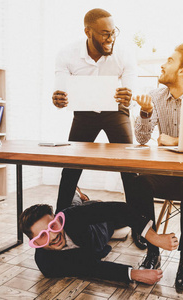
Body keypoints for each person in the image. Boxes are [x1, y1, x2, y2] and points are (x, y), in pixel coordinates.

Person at [51, 8, 145, 249]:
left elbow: (131, 95)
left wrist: (129, 97)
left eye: (113, 33)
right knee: (71, 167)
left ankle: (139, 227)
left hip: (117, 113)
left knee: (130, 169)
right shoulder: (67, 54)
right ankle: (59, 222)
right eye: (104, 34)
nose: (110, 38)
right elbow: (60, 94)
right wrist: (58, 99)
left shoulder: (123, 54)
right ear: (87, 32)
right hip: (84, 115)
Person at [131, 43, 183, 290]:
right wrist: (145, 113)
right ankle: (152, 252)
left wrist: (175, 140)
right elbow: (143, 139)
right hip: (169, 172)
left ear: (182, 71)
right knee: (140, 182)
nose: (162, 65)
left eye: (169, 60)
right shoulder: (155, 97)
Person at [19, 201, 179, 284]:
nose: (53, 236)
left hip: (101, 227)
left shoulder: (71, 217)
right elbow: (89, 268)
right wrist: (133, 274)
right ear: (32, 241)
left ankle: (84, 199)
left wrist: (154, 238)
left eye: (53, 226)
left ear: (56, 219)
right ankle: (82, 197)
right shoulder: (46, 264)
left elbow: (119, 210)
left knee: (101, 211)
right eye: (42, 236)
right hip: (94, 245)